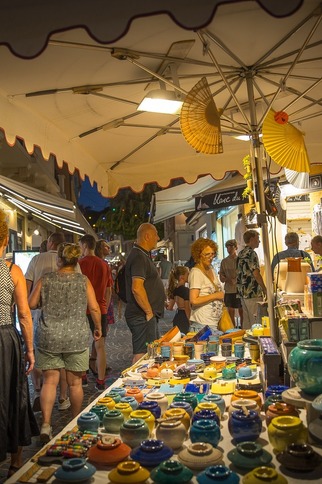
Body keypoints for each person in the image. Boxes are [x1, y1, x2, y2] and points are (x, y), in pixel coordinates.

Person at [28, 243, 101, 443]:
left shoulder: (46, 279)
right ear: (76, 261)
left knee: (49, 382)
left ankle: (46, 425)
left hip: (49, 336)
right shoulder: (83, 281)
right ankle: (74, 425)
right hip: (76, 337)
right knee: (75, 383)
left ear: (59, 260)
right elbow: (94, 308)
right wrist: (98, 327)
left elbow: (31, 303)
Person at [0, 209, 39, 477]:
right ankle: (15, 458)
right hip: (5, 340)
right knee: (13, 394)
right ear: (4, 241)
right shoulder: (12, 271)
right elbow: (24, 315)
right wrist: (30, 349)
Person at [25, 232, 71, 412]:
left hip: (40, 317)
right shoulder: (69, 263)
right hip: (66, 319)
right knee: (65, 359)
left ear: (50, 242)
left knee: (37, 356)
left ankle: (38, 390)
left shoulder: (36, 260)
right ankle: (63, 397)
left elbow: (28, 289)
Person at [125, 223, 165, 363]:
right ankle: (135, 382)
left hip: (145, 315)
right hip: (141, 315)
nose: (158, 238)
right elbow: (137, 287)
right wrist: (148, 312)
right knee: (142, 355)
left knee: (149, 352)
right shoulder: (139, 257)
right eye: (155, 235)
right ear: (147, 236)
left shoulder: (142, 255)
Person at [79, 234, 111, 391]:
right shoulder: (104, 264)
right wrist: (106, 304)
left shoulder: (79, 264)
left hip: (84, 309)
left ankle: (83, 376)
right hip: (101, 308)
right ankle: (101, 380)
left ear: (85, 246)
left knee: (84, 344)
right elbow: (109, 289)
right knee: (100, 346)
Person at [188, 238, 224, 330]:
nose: (211, 257)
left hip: (214, 323)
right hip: (202, 324)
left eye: (212, 254)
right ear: (199, 255)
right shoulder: (196, 272)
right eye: (207, 254)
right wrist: (216, 296)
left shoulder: (211, 269)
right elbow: (194, 300)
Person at [92, 239, 115, 374]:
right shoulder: (103, 264)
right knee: (101, 334)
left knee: (100, 333)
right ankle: (96, 360)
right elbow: (108, 287)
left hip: (103, 303)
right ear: (101, 248)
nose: (109, 248)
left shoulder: (103, 263)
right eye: (106, 247)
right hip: (103, 303)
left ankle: (94, 360)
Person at [236, 230, 267, 329]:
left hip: (242, 291)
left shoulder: (240, 253)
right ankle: (256, 342)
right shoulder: (251, 253)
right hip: (252, 290)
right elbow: (256, 273)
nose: (259, 241)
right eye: (258, 239)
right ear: (252, 239)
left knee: (246, 320)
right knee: (256, 319)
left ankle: (247, 341)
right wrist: (264, 288)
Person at [219, 239, 243, 327]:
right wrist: (227, 279)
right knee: (230, 310)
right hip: (229, 289)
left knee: (241, 309)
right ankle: (233, 327)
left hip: (239, 288)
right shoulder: (224, 261)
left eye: (231, 247)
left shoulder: (240, 260)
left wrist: (236, 279)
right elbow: (221, 276)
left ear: (235, 247)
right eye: (227, 247)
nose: (229, 249)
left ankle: (243, 326)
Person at [167, 266, 191, 334]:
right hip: (184, 318)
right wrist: (190, 321)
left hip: (177, 317)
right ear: (181, 277)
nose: (189, 276)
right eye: (187, 274)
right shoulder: (186, 290)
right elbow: (187, 308)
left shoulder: (175, 290)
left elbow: (170, 307)